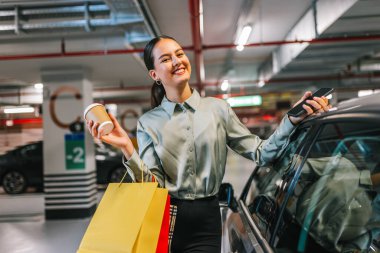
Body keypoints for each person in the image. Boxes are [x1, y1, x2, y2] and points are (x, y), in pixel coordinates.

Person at [86, 35, 331, 253]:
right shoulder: (148, 123)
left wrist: (290, 120)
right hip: (165, 219)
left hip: (207, 220)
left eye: (180, 54)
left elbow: (260, 153)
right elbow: (155, 186)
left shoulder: (218, 110)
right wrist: (127, 148)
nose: (177, 61)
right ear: (155, 75)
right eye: (166, 59)